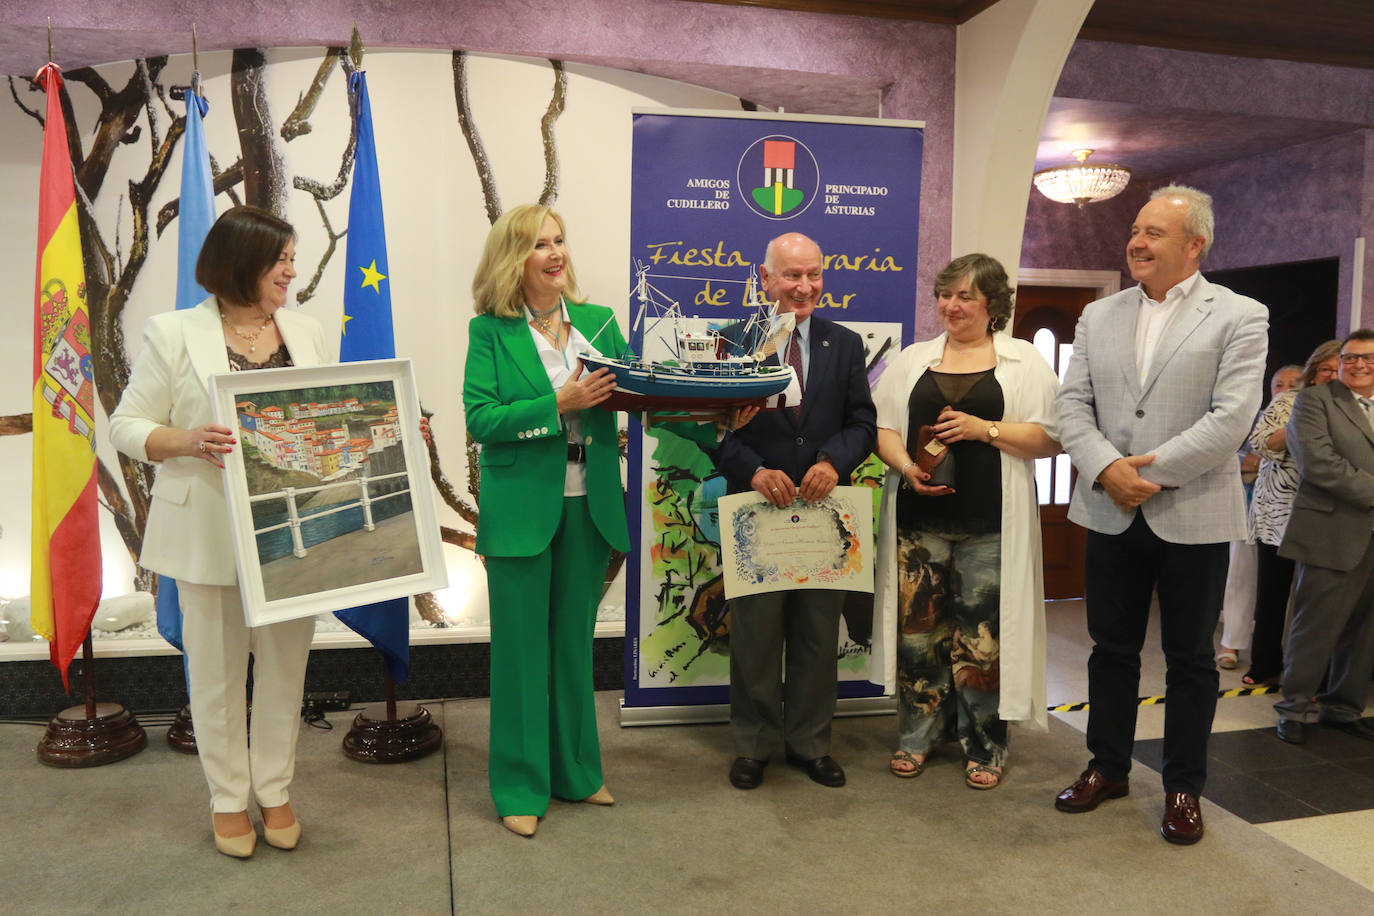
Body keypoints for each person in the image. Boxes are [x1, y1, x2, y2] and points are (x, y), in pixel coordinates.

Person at [109, 205, 332, 858]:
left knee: (287, 669)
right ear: (242, 262)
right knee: (214, 675)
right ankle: (228, 800)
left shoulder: (308, 331)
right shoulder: (174, 333)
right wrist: (185, 439)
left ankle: (276, 788)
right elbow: (125, 424)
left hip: (294, 532)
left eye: (292, 257)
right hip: (208, 532)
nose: (292, 270)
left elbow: (330, 411)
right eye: (281, 259)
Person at [1053, 185, 1268, 845]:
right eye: (1137, 229)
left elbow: (1232, 418)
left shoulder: (1240, 316)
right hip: (1109, 505)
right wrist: (1107, 468)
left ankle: (1183, 788)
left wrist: (1148, 471)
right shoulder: (1099, 316)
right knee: (1110, 650)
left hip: (1194, 511)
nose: (1138, 242)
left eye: (1155, 233)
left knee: (1190, 659)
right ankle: (1107, 767)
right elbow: (1072, 406)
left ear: (1195, 244)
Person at [462, 204, 629, 837]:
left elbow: (644, 392)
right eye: (540, 244)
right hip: (522, 512)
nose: (555, 253)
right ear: (515, 258)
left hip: (590, 505)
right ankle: (519, 785)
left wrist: (712, 414)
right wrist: (556, 403)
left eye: (560, 240)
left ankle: (577, 773)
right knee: (521, 653)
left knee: (571, 646)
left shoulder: (599, 322)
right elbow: (481, 419)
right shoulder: (491, 333)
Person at [871, 253, 1060, 789]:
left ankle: (985, 745)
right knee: (919, 639)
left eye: (966, 297)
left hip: (991, 527)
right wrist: (907, 466)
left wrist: (986, 429)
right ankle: (918, 737)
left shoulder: (1024, 362)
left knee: (982, 643)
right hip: (919, 525)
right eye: (946, 295)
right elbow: (883, 428)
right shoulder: (913, 360)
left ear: (992, 305)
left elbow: (1050, 437)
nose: (952, 306)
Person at [711, 232, 876, 791]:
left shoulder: (845, 344)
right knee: (755, 638)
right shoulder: (731, 342)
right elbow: (718, 431)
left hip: (824, 512)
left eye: (813, 275)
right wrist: (754, 470)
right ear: (765, 279)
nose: (804, 286)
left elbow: (862, 423)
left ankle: (810, 743)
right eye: (791, 276)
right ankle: (754, 745)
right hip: (758, 507)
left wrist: (833, 461)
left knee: (814, 633)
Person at [1273, 329, 1374, 745]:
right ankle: (1293, 708)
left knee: (1367, 629)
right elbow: (1320, 465)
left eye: (1367, 358)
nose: (1358, 365)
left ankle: (1343, 708)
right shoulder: (1314, 401)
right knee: (1314, 626)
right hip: (1332, 530)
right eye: (1350, 358)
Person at [1243, 342, 1341, 687]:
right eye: (1325, 369)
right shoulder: (1287, 402)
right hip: (1277, 513)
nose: (1332, 375)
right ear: (1313, 372)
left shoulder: (1352, 409)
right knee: (1273, 593)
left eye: (1338, 368)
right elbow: (1259, 441)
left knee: (1318, 601)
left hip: (1328, 515)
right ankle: (1266, 663)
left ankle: (1317, 675)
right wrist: (1300, 424)